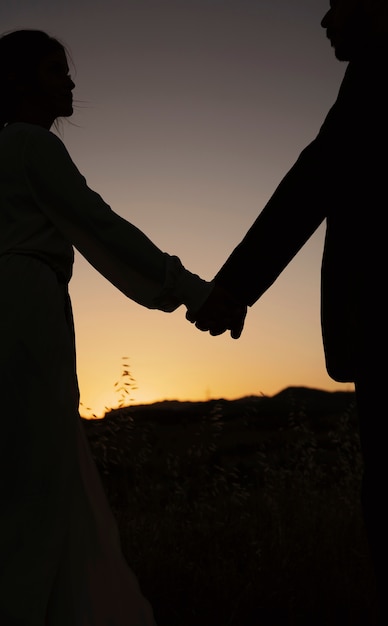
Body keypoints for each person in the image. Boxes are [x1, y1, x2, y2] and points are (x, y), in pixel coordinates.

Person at [187, 1, 388, 623]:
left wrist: (235, 286)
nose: (325, 19)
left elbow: (316, 177)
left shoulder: (384, 67)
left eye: (339, 3)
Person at [0, 29, 213, 626]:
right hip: (25, 315)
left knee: (23, 474)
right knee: (38, 483)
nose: (69, 82)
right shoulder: (30, 145)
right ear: (19, 81)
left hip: (18, 308)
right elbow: (103, 227)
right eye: (53, 71)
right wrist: (191, 289)